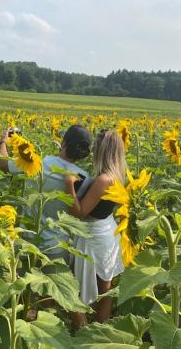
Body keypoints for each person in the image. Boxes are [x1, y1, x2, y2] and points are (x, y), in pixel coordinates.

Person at [0, 125, 92, 260]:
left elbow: (3, 165)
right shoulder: (84, 177)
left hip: (26, 241)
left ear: (63, 143)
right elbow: (77, 213)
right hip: (56, 247)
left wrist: (3, 142)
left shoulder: (39, 162)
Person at [65, 129, 125, 326]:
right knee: (105, 290)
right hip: (108, 230)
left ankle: (89, 334)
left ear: (103, 151)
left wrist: (68, 184)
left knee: (81, 288)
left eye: (96, 148)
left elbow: (80, 212)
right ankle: (101, 333)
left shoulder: (102, 180)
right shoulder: (117, 175)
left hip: (95, 236)